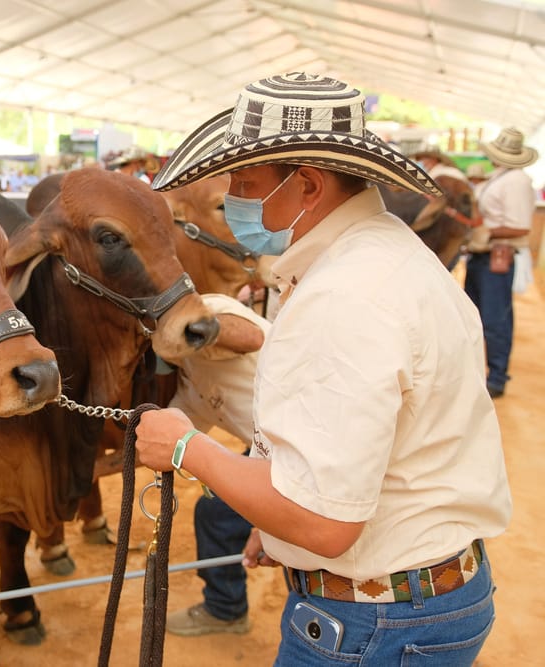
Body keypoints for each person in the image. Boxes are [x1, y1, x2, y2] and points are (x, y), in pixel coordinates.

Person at [136, 72, 511, 665]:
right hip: (426, 594)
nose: (236, 197)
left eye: (245, 183)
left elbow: (323, 524)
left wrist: (186, 447)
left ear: (307, 184)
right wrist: (278, 522)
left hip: (375, 624)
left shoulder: (343, 297)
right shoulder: (388, 254)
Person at [165, 294, 270, 636]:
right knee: (215, 512)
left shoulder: (206, 306)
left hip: (316, 441)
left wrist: (184, 324)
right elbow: (167, 439)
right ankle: (226, 609)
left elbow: (252, 336)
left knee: (296, 541)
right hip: (267, 454)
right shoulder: (189, 386)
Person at [463, 127, 538, 398]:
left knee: (495, 320)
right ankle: (481, 373)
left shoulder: (516, 180)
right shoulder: (500, 177)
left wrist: (483, 232)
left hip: (496, 254)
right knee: (475, 316)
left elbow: (520, 227)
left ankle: (496, 377)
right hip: (482, 255)